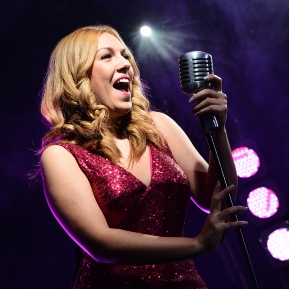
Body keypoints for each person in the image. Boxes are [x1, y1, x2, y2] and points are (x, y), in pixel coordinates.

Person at [39, 24, 248, 289]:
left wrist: (218, 129)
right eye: (107, 56)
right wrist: (198, 243)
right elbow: (101, 244)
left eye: (126, 55)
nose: (125, 64)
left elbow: (216, 197)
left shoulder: (158, 127)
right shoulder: (62, 155)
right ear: (77, 76)